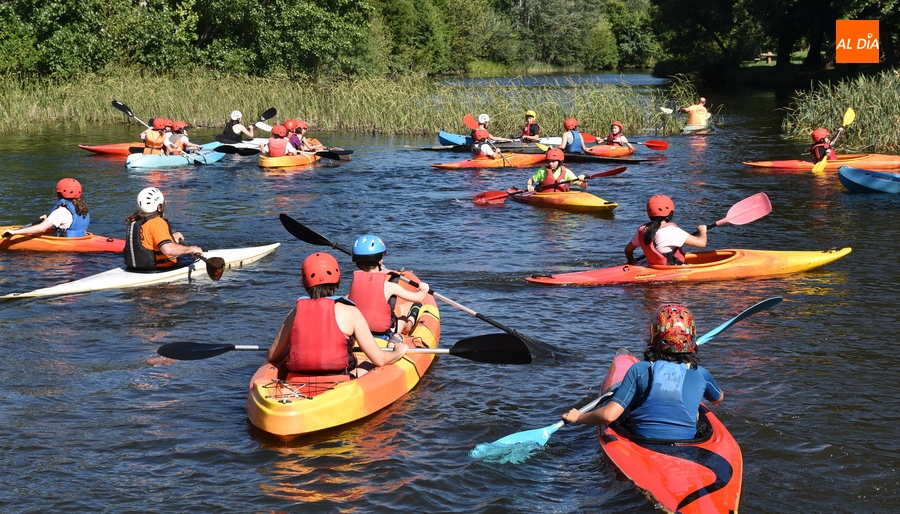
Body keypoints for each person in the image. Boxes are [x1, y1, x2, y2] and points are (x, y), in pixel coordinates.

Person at [562, 304, 723, 440]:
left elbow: (609, 416)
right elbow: (717, 399)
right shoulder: (701, 374)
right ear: (692, 338)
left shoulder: (639, 370)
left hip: (642, 440)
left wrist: (579, 418)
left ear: (653, 336)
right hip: (686, 445)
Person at [266, 252, 409, 378]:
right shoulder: (351, 312)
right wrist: (398, 352)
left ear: (304, 282)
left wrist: (295, 349)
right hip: (339, 381)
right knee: (369, 362)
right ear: (338, 280)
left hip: (296, 380)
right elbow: (380, 359)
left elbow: (272, 355)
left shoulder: (295, 313)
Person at [348, 235, 429, 342]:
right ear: (380, 261)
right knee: (403, 320)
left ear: (357, 262)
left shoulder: (354, 282)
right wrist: (424, 289)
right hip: (382, 335)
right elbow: (418, 298)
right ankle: (411, 318)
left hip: (358, 333)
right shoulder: (390, 286)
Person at [124, 187, 202, 271]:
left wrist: (171, 238)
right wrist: (191, 249)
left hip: (133, 269)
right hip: (156, 269)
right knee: (188, 256)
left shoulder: (135, 222)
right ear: (159, 207)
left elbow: (148, 241)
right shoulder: (158, 222)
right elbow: (168, 250)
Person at [624, 195, 707, 266]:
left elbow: (628, 250)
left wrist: (632, 261)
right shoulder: (672, 231)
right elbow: (702, 243)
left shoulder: (643, 230)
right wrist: (702, 231)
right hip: (672, 269)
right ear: (670, 214)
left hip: (653, 266)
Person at [2, 178, 90, 239]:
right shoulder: (82, 208)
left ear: (59, 194)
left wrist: (14, 232)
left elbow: (40, 228)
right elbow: (68, 223)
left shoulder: (61, 211)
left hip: (66, 253)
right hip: (81, 238)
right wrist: (48, 220)